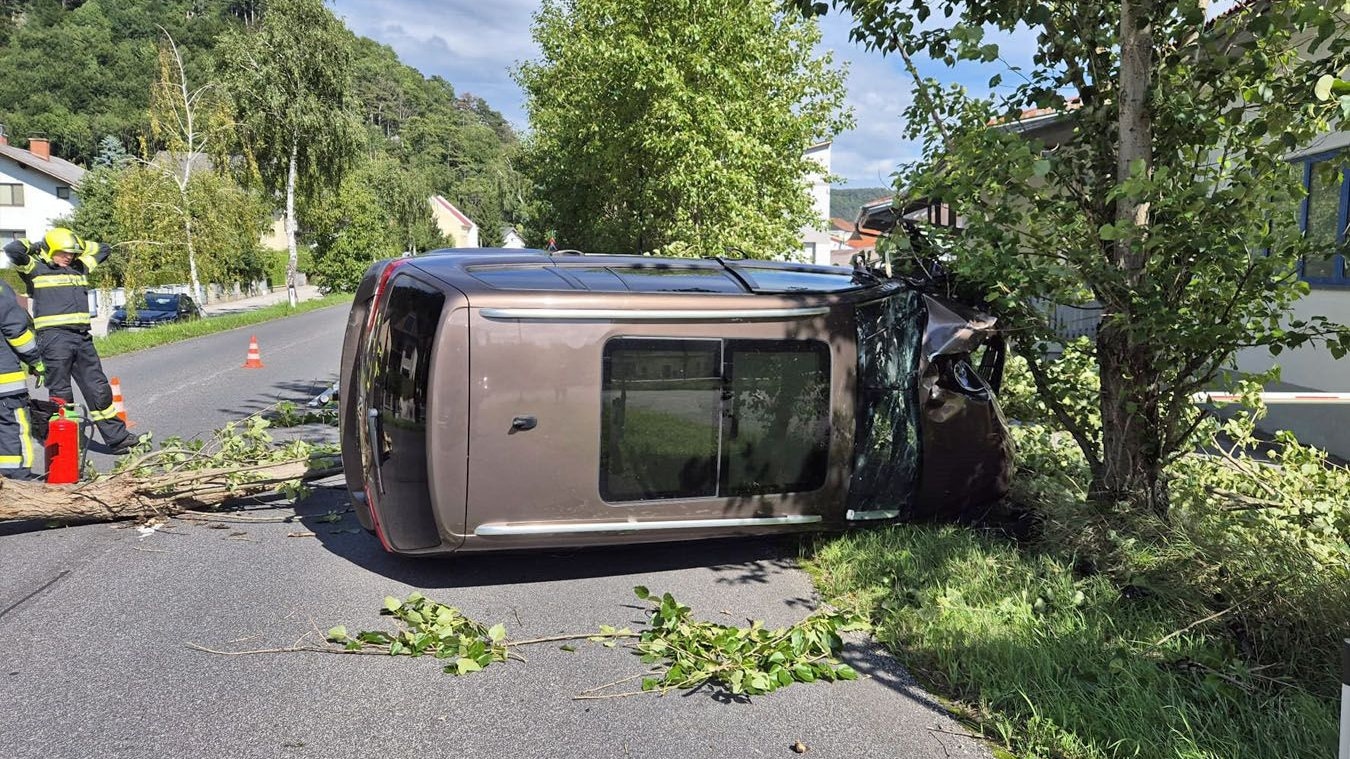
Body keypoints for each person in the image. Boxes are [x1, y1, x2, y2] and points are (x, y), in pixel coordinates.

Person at [3, 228, 138, 454]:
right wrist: (39, 246)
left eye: (72, 253)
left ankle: (118, 440)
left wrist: (79, 245)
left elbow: (104, 249)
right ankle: (67, 446)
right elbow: (12, 249)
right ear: (52, 250)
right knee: (62, 396)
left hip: (82, 338)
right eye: (64, 252)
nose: (69, 257)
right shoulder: (35, 268)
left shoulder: (80, 267)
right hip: (54, 340)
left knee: (99, 389)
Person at [0, 279, 44, 478]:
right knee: (15, 429)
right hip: (5, 383)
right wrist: (36, 360)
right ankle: (18, 480)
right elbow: (16, 331)